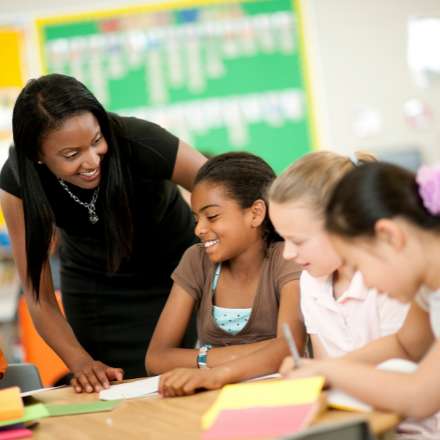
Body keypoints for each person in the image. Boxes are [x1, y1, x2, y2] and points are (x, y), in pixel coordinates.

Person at [0, 73, 206, 393]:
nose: (92, 160)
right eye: (72, 155)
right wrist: (80, 363)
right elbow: (38, 296)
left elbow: (224, 187)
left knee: (182, 382)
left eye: (96, 141)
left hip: (178, 271)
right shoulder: (18, 185)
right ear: (38, 155)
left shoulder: (138, 139)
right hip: (94, 284)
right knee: (113, 392)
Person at [279, 161, 440, 430]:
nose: (363, 281)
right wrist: (319, 371)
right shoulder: (428, 288)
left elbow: (419, 395)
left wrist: (329, 371)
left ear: (389, 236)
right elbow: (406, 345)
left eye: (358, 266)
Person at [146, 152, 304, 397]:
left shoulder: (287, 258)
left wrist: (213, 372)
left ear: (255, 213)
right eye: (196, 218)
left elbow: (289, 349)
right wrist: (262, 351)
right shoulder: (195, 260)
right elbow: (156, 359)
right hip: (211, 398)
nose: (199, 229)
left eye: (212, 217)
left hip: (279, 396)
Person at [268, 151, 408, 359]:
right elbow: (325, 366)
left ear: (342, 224)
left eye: (298, 241)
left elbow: (401, 363)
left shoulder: (390, 279)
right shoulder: (310, 282)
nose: (287, 254)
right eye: (283, 238)